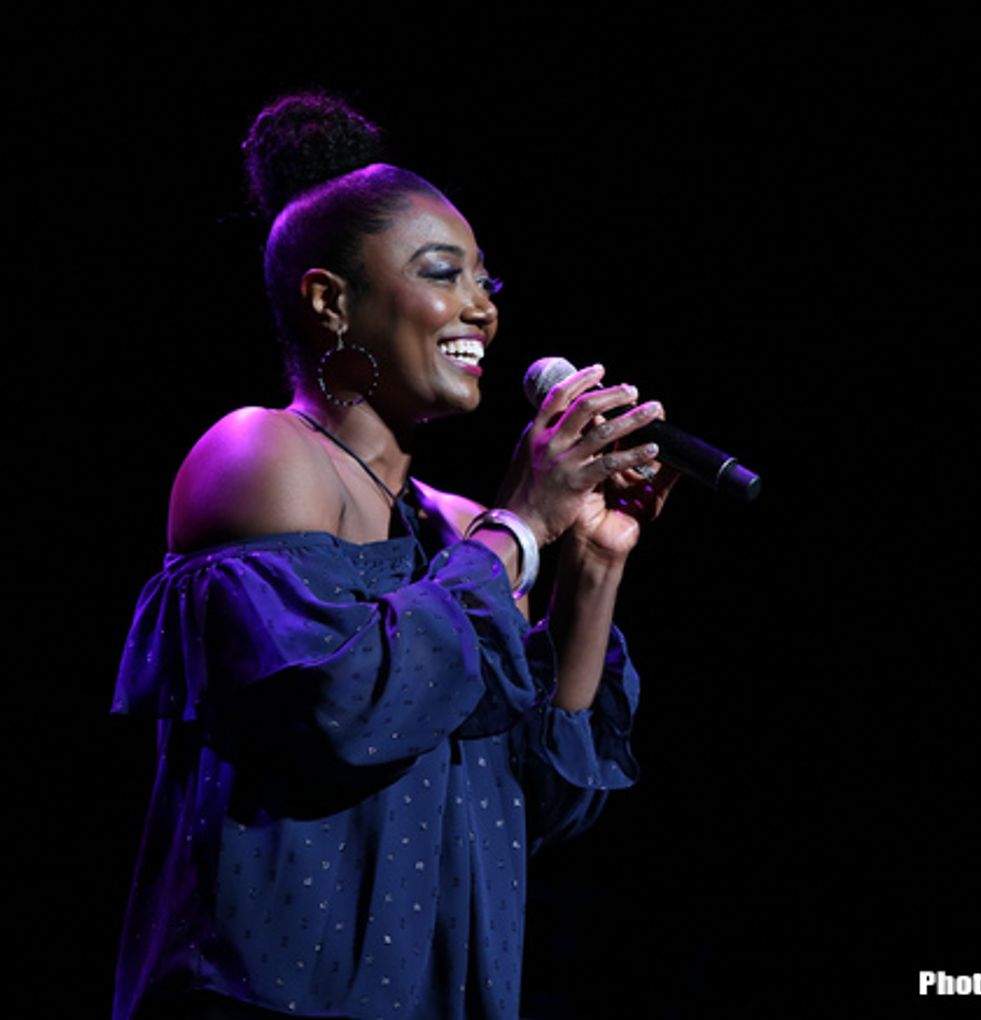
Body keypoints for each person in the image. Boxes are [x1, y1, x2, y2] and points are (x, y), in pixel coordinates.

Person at [111, 91, 675, 1020]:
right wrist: (523, 525)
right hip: (269, 998)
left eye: (487, 283)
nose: (480, 310)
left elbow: (549, 800)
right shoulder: (259, 454)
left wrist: (590, 567)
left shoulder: (462, 533)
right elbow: (343, 707)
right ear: (331, 300)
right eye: (444, 274)